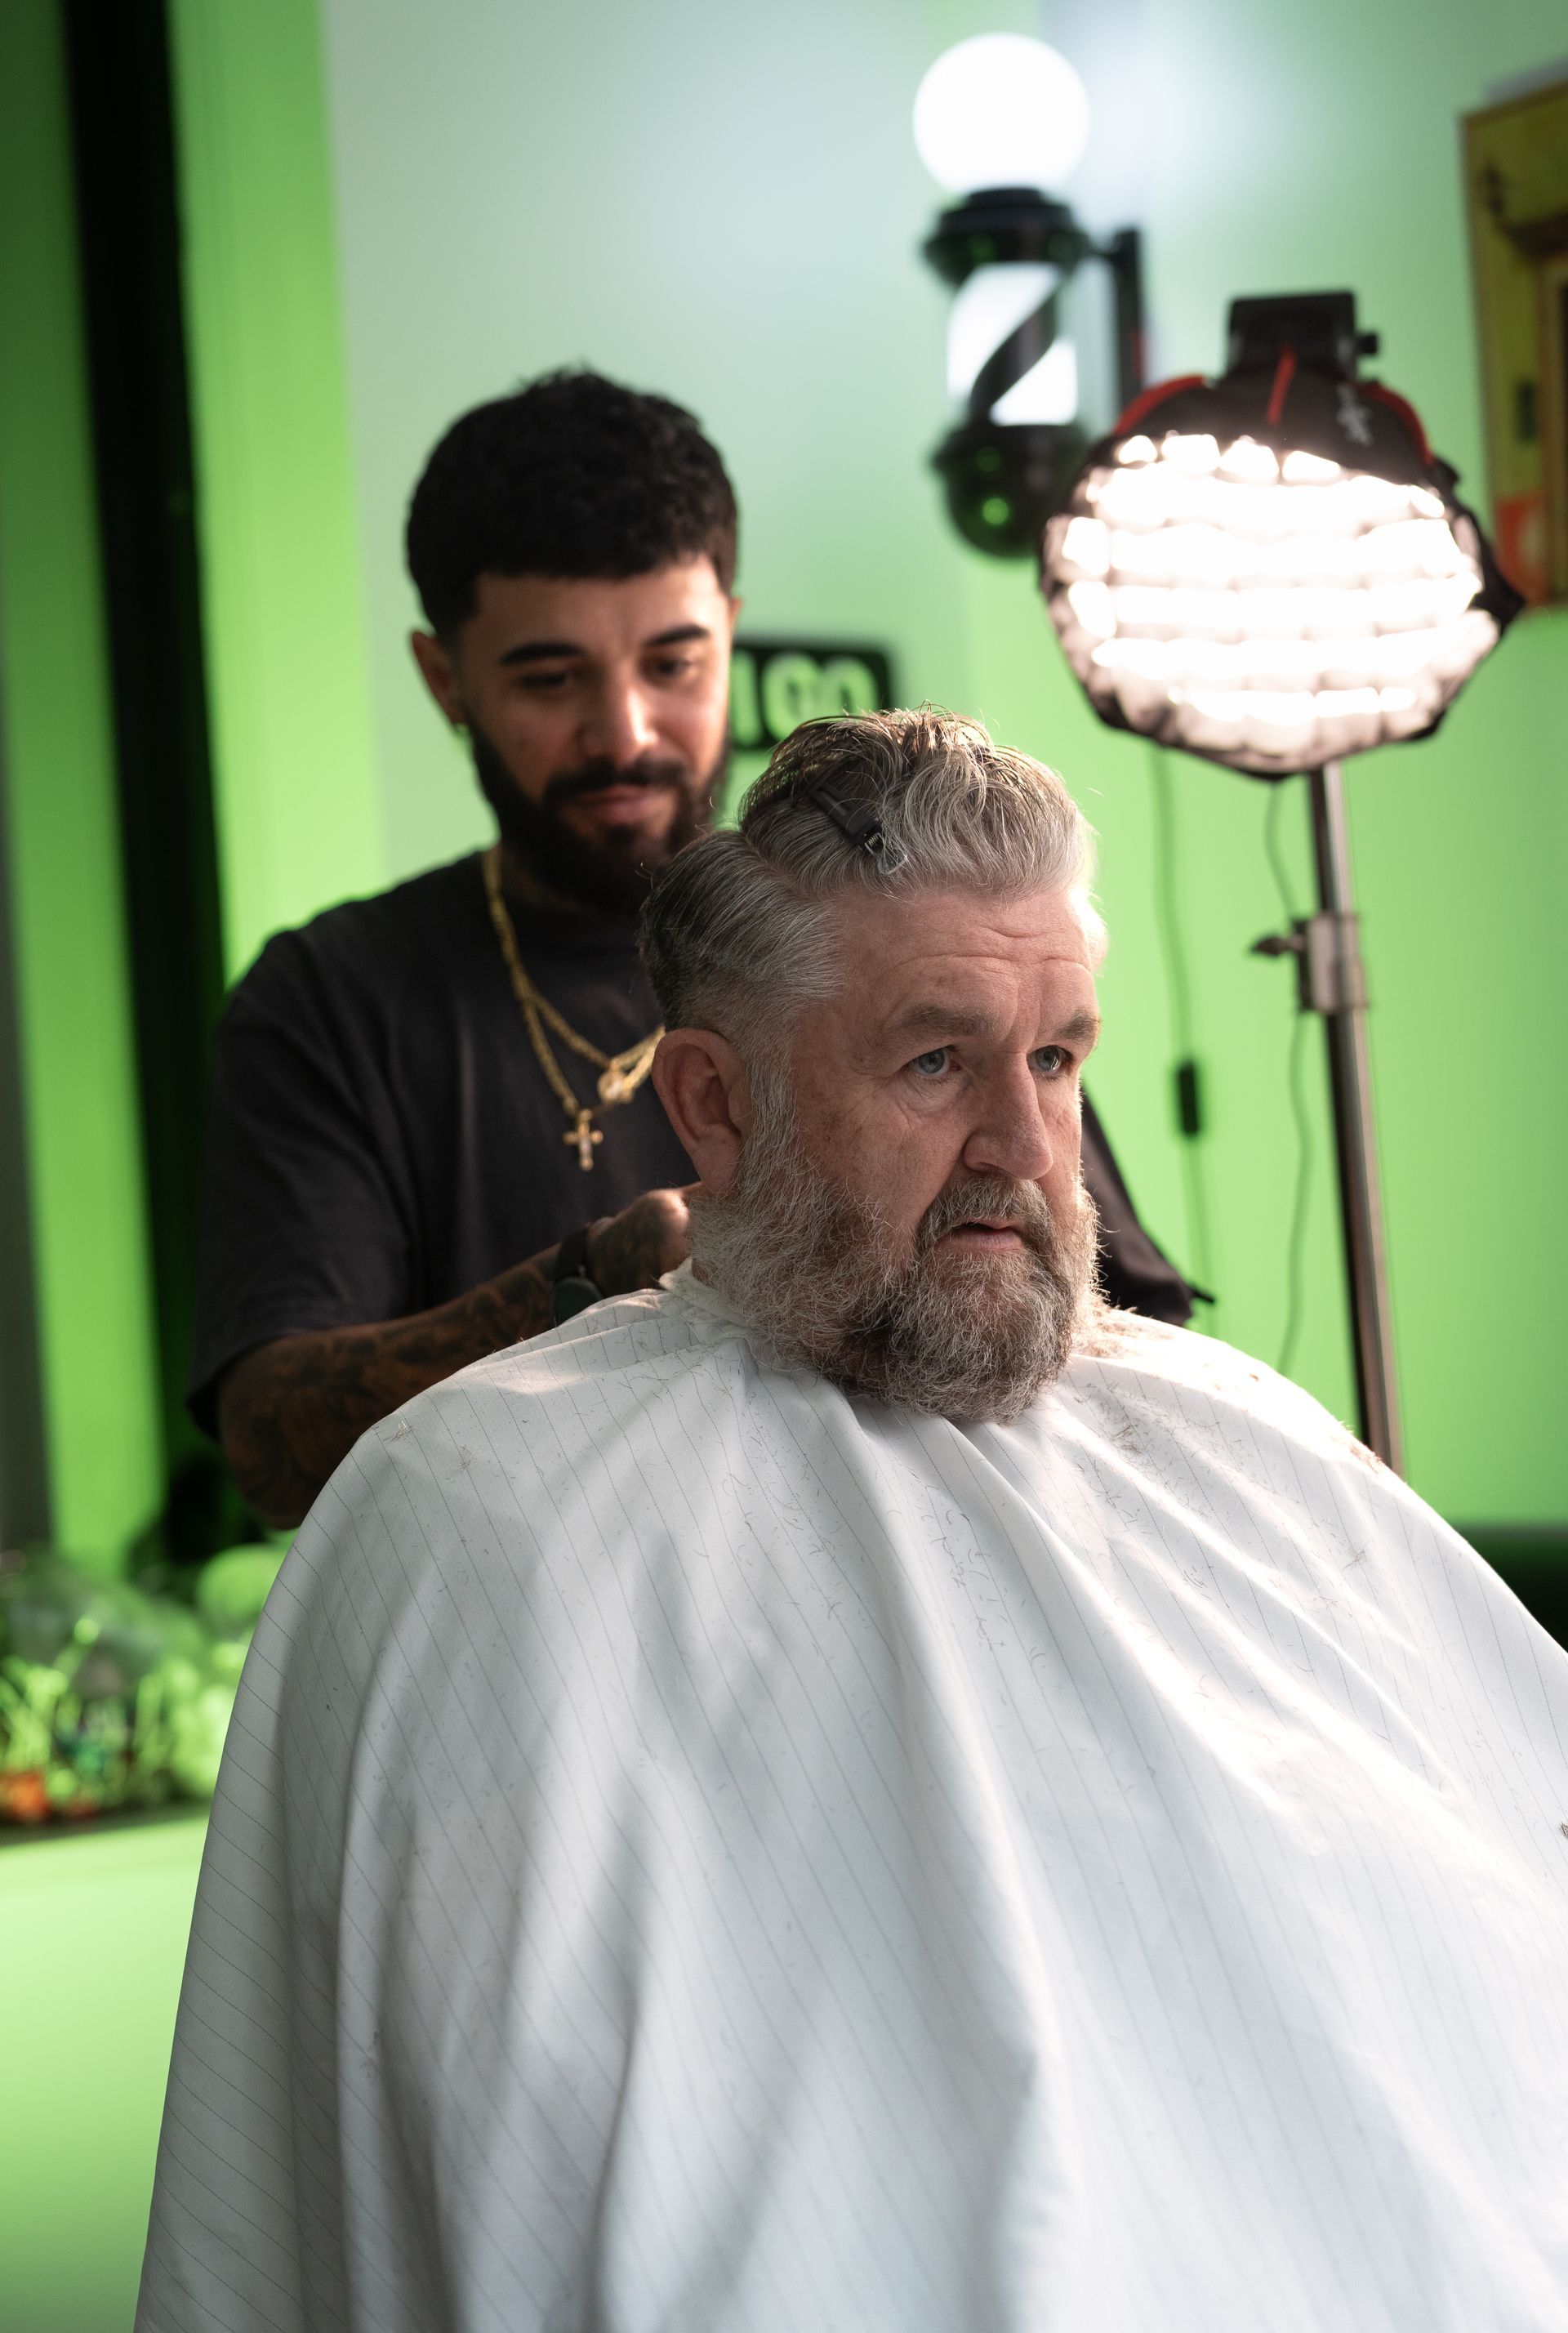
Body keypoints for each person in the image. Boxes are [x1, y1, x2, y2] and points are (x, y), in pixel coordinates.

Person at [139, 711, 1568, 2333]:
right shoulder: (485, 1511)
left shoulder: (1231, 1438)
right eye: (936, 1062)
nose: (1029, 1151)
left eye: (1056, 1059)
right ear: (714, 1105)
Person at [192, 371, 1191, 1528]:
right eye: (551, 677)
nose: (625, 731)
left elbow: (1125, 1339)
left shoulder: (898, 944)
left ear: (730, 628)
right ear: (443, 677)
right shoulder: (335, 1002)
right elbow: (271, 1444)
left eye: (674, 664)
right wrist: (599, 1282)